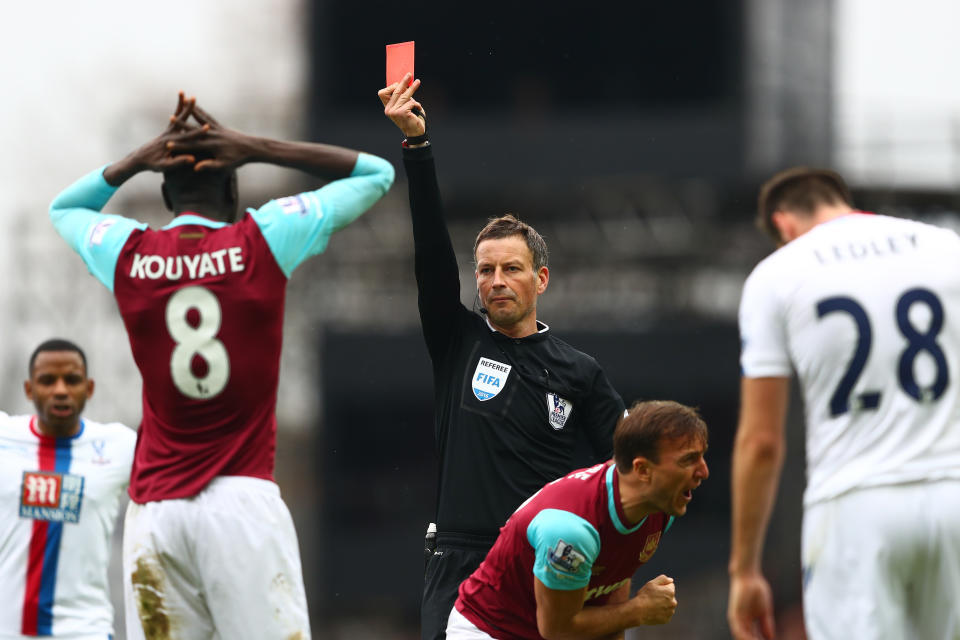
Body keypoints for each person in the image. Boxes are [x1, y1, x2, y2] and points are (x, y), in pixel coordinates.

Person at [49, 94, 394, 640]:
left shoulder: (129, 251)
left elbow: (64, 210)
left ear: (164, 192)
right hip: (241, 505)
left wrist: (138, 158)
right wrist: (252, 146)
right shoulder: (263, 238)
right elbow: (376, 173)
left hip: (156, 513)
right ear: (233, 189)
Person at [379, 75, 627, 640]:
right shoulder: (458, 341)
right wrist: (417, 147)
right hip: (458, 560)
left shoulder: (579, 373)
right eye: (485, 270)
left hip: (536, 560)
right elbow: (432, 257)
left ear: (540, 278)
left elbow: (623, 475)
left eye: (511, 268)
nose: (495, 281)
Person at [728, 167, 960, 640]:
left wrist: (745, 570)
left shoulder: (777, 274)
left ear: (783, 226)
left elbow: (762, 442)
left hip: (854, 508)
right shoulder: (946, 246)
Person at [447, 400, 709, 639]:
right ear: (642, 469)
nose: (704, 472)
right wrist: (639, 610)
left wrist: (628, 613)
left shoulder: (660, 506)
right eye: (688, 460)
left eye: (702, 456)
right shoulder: (571, 530)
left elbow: (614, 581)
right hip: (489, 631)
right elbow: (557, 629)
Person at [1, 338, 136, 639]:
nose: (60, 390)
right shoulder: (4, 437)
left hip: (85, 631)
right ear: (29, 389)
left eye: (71, 380)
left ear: (89, 388)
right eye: (48, 381)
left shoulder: (120, 446)